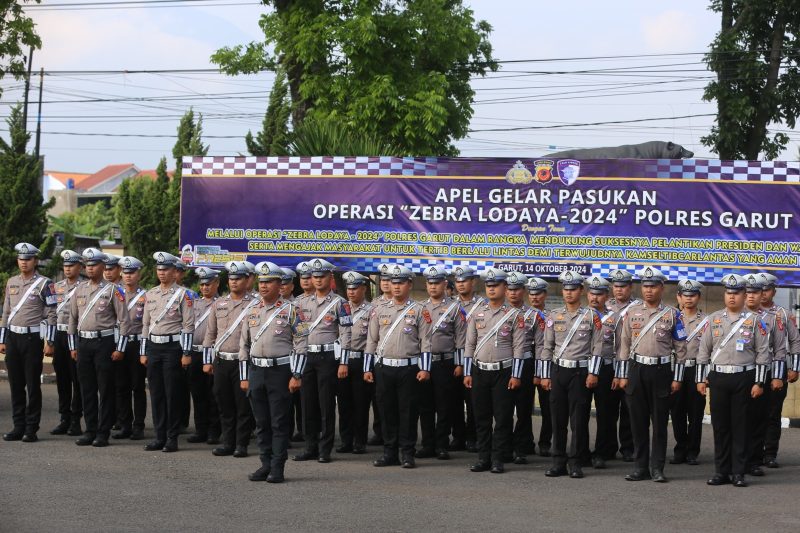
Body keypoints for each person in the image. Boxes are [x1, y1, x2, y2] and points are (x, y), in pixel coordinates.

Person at [698, 274, 770, 488]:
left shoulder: (755, 321)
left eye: (736, 293)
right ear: (724, 295)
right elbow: (704, 351)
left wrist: (759, 383)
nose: (732, 297)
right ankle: (721, 471)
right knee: (721, 427)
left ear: (744, 295)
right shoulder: (714, 319)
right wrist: (701, 379)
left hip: (744, 377)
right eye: (729, 293)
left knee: (740, 426)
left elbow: (763, 354)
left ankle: (739, 472)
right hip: (719, 377)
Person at [240, 261, 308, 483]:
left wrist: (296, 375)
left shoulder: (292, 310)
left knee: (279, 422)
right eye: (261, 282)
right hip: (257, 371)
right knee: (261, 423)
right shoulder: (251, 310)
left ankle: (277, 468)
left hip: (280, 371)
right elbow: (244, 345)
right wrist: (244, 376)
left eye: (269, 282)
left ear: (280, 285)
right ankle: (265, 464)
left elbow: (301, 343)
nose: (264, 286)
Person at [617, 267, 687, 483]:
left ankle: (657, 468)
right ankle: (640, 467)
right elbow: (624, 345)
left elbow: (681, 348)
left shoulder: (673, 315)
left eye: (653, 286)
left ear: (661, 288)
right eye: (645, 286)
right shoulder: (631, 313)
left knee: (659, 423)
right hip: (637, 370)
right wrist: (623, 374)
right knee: (637, 422)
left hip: (661, 372)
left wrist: (678, 378)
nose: (648, 290)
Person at [364, 265, 430, 468]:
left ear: (409, 284)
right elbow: (371, 341)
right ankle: (389, 452)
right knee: (386, 410)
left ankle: (407, 453)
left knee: (408, 412)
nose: (397, 286)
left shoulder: (420, 310)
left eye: (401, 282)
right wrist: (367, 368)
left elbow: (425, 342)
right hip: (384, 368)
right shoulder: (379, 309)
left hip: (409, 368)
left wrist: (425, 368)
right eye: (394, 282)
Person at [540, 271, 603, 479]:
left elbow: (597, 347)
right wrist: (545, 375)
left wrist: (593, 372)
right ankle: (558, 461)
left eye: (573, 289)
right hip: (558, 371)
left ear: (581, 291)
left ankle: (576, 462)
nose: (568, 293)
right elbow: (547, 347)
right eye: (566, 289)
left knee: (578, 420)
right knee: (558, 419)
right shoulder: (553, 315)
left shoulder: (591, 316)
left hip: (580, 372)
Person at [463, 267, 525, 474]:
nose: (491, 289)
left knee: (503, 417)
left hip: (504, 372)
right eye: (488, 286)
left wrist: (516, 375)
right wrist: (467, 372)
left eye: (495, 285)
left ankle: (498, 458)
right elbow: (469, 345)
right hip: (480, 371)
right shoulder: (477, 314)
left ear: (505, 288)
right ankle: (483, 458)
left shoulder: (514, 315)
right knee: (481, 417)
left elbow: (519, 348)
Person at [68, 248, 130, 448]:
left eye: (94, 265)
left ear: (103, 266)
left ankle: (103, 432)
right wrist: (73, 346)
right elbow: (72, 319)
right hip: (84, 344)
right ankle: (90, 430)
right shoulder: (79, 289)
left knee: (105, 389)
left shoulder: (113, 290)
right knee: (87, 388)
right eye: (87, 265)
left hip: (104, 343)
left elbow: (124, 321)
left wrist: (120, 348)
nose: (90, 268)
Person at [293, 258, 352, 463]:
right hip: (307, 356)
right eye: (314, 276)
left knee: (326, 403)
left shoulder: (340, 303)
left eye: (321, 276)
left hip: (328, 357)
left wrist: (343, 362)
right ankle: (310, 446)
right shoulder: (300, 303)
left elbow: (346, 335)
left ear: (330, 277)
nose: (317, 280)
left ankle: (325, 449)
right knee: (307, 403)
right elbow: (299, 334)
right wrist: (298, 363)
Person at [0, 243, 57, 442]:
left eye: (28, 259)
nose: (24, 262)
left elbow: (51, 314)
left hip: (32, 339)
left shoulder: (45, 283)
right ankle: (18, 426)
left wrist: (50, 341)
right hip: (13, 338)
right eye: (21, 259)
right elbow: (6, 311)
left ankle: (31, 428)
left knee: (32, 384)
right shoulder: (12, 282)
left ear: (35, 261)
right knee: (15, 384)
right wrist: (2, 339)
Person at [140, 251, 194, 453]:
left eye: (166, 269)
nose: (162, 273)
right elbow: (145, 325)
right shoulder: (150, 294)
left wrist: (186, 353)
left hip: (173, 348)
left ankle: (172, 438)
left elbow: (188, 326)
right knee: (156, 394)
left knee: (172, 394)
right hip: (154, 347)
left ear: (174, 272)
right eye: (159, 269)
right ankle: (159, 436)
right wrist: (143, 351)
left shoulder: (183, 294)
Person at [203, 261, 257, 458]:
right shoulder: (219, 304)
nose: (234, 282)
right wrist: (207, 361)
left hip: (243, 361)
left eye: (239, 278)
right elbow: (210, 334)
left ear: (247, 280)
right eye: (232, 278)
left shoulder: (254, 305)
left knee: (242, 405)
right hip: (221, 360)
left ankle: (241, 444)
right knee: (224, 403)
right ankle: (228, 442)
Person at [417, 265, 467, 461]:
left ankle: (441, 445)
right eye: (430, 283)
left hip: (445, 363)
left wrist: (460, 364)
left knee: (444, 405)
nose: (433, 286)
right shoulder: (420, 308)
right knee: (425, 405)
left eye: (437, 283)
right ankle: (427, 444)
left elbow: (461, 339)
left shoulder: (455, 308)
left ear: (445, 284)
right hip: (423, 363)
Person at [743, 274, 786, 477]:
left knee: (760, 418)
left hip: (763, 374)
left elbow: (779, 350)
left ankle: (754, 461)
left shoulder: (772, 318)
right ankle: (736, 459)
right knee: (738, 419)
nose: (751, 296)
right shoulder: (731, 316)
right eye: (748, 292)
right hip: (739, 374)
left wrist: (777, 376)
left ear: (762, 295)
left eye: (755, 292)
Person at [757, 272, 800, 468]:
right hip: (753, 368)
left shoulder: (783, 314)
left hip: (777, 368)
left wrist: (794, 368)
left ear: (774, 291)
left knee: (773, 413)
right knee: (752, 412)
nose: (763, 293)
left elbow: (795, 341)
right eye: (760, 289)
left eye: (767, 289)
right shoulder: (748, 313)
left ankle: (770, 453)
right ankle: (753, 452)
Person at [505, 271, 543, 465]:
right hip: (503, 364)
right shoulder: (497, 313)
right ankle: (504, 446)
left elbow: (541, 346)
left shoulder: (534, 315)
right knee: (503, 409)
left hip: (526, 364)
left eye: (517, 289)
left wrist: (538, 372)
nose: (513, 293)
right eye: (510, 289)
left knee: (523, 408)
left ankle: (521, 447)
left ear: (523, 291)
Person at [335, 271, 374, 455]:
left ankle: (360, 441)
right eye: (349, 288)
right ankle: (346, 441)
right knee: (344, 404)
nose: (351, 292)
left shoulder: (371, 310)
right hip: (342, 361)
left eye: (355, 288)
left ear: (364, 289)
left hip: (361, 361)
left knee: (361, 404)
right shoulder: (342, 309)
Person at [670, 279, 707, 466]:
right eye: (686, 295)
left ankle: (693, 451)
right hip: (676, 370)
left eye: (693, 295)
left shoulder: (707, 321)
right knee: (676, 412)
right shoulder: (671, 318)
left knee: (695, 413)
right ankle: (680, 448)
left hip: (696, 371)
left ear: (698, 297)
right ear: (679, 297)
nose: (689, 298)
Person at [113, 256, 148, 441]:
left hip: (136, 343)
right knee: (121, 386)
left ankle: (138, 426)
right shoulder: (115, 293)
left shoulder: (146, 296)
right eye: (125, 272)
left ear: (138, 274)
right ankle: (124, 424)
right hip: (118, 344)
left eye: (131, 272)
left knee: (137, 386)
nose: (128, 276)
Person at [605, 269, 638, 462]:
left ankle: (628, 447)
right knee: (608, 408)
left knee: (628, 408)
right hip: (609, 362)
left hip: (629, 364)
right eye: (616, 286)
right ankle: (608, 447)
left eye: (623, 286)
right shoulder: (605, 306)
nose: (619, 290)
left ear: (630, 287)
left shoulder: (638, 307)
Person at [450, 265, 484, 453]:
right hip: (454, 359)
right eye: (458, 281)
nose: (461, 284)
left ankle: (474, 437)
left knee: (474, 402)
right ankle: (458, 436)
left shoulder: (482, 305)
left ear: (473, 282)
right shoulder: (450, 305)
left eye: (465, 281)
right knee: (454, 400)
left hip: (475, 358)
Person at [51, 249, 84, 437]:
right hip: (60, 335)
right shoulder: (56, 287)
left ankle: (76, 420)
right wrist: (50, 339)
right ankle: (64, 418)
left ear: (79, 266)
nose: (68, 268)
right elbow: (50, 314)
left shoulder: (85, 287)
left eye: (71, 265)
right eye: (65, 265)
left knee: (77, 379)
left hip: (77, 336)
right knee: (62, 378)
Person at [187, 266, 221, 445]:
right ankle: (200, 429)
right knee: (198, 393)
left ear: (217, 284)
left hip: (213, 354)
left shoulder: (222, 303)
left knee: (213, 394)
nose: (205, 287)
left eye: (209, 284)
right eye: (202, 284)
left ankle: (214, 431)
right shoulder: (194, 304)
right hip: (195, 352)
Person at [584, 275, 615, 469]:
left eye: (599, 294)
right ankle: (581, 451)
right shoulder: (580, 315)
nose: (595, 298)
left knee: (605, 413)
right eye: (592, 293)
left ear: (606, 296)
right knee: (580, 413)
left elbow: (622, 347)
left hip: (605, 368)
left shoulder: (615, 318)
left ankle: (601, 452)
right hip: (582, 368)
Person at [527, 276, 552, 457]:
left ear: (545, 295)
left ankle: (545, 442)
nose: (534, 297)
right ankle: (525, 442)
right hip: (526, 367)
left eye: (538, 294)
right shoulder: (522, 316)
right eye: (531, 294)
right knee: (524, 408)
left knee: (547, 409)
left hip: (547, 368)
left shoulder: (551, 316)